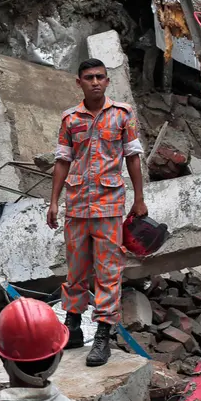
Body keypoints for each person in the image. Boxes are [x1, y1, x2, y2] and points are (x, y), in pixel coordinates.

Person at [46, 58, 146, 367]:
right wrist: (53, 201)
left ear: (107, 80)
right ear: (79, 82)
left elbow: (132, 157)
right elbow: (62, 160)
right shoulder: (70, 119)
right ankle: (73, 327)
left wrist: (139, 199)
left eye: (100, 77)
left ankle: (103, 334)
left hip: (109, 206)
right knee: (75, 269)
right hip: (76, 205)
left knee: (108, 271)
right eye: (89, 77)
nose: (95, 82)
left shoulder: (122, 115)